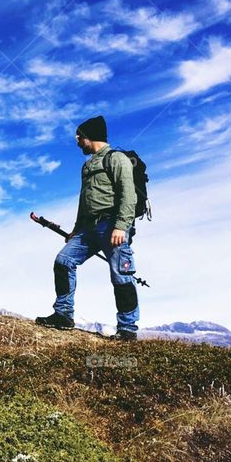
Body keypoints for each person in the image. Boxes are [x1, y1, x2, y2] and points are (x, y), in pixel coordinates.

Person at [35, 115, 140, 341]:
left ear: (89, 136)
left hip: (112, 225)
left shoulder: (116, 159)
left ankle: (128, 329)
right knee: (63, 261)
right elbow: (85, 200)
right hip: (87, 229)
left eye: (79, 137)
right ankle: (63, 314)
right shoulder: (88, 165)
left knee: (121, 275)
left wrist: (121, 226)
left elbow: (128, 194)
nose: (77, 141)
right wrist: (75, 229)